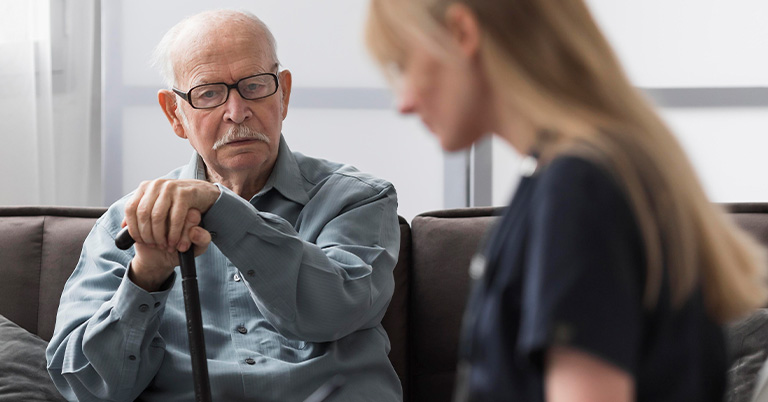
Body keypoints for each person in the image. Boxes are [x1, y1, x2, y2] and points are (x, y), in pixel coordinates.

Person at [365, 0, 768, 401]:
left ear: (462, 34)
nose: (404, 104)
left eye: (404, 66)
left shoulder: (579, 192)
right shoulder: (588, 174)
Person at [46, 9, 402, 402]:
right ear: (175, 114)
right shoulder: (127, 224)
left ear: (283, 94)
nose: (237, 111)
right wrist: (146, 277)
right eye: (209, 93)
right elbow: (86, 387)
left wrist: (222, 208)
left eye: (253, 85)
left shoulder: (357, 199)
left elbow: (331, 311)